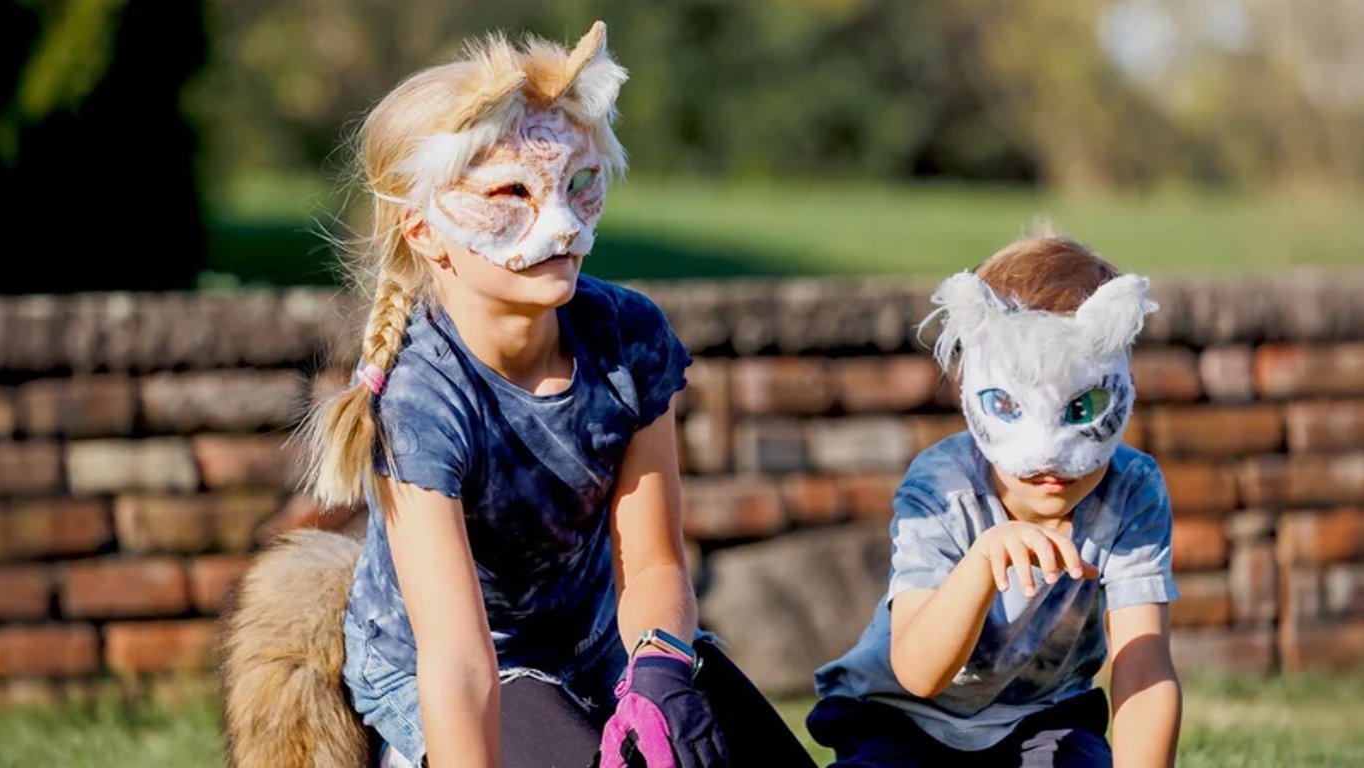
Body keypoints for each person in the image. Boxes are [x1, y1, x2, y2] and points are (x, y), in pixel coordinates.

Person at [291, 20, 813, 768]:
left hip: (601, 656)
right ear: (426, 231)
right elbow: (457, 661)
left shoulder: (626, 336)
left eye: (579, 183)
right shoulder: (420, 399)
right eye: (510, 192)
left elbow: (656, 564)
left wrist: (661, 673)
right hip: (460, 682)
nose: (561, 223)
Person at [806, 234, 1183, 767]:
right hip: (901, 719)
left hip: (1044, 721)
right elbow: (917, 671)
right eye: (1014, 406)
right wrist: (983, 560)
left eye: (1082, 407)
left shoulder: (1132, 489)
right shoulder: (941, 487)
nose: (1049, 458)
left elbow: (1144, 665)